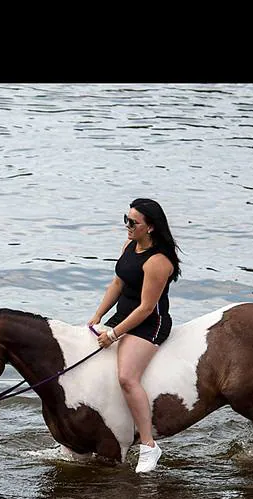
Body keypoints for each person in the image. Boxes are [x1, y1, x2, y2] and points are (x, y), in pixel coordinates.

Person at [87, 198, 182, 474]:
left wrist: (114, 334)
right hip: (123, 317)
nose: (127, 226)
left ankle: (149, 446)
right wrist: (97, 316)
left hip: (149, 324)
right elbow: (117, 283)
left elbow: (146, 308)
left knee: (127, 378)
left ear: (150, 227)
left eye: (133, 222)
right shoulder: (129, 246)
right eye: (125, 220)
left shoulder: (159, 262)